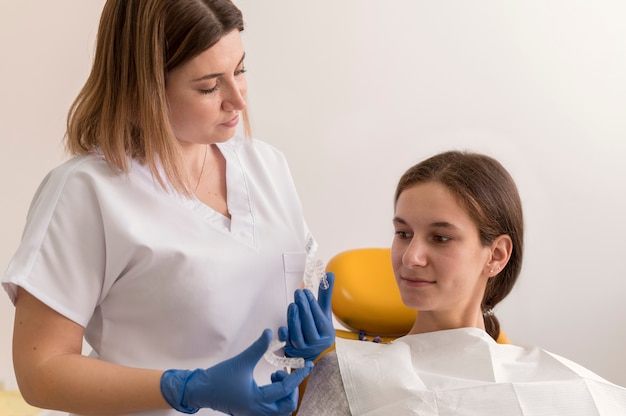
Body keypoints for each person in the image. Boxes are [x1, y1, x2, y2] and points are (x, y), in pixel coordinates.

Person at [1, 1, 335, 415]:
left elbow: (297, 290)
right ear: (145, 88)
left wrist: (316, 341)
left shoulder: (268, 167)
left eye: (241, 70)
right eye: (210, 87)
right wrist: (184, 388)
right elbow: (40, 372)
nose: (238, 101)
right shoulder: (87, 193)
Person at [297, 150, 626, 415]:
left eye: (440, 238)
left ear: (496, 255)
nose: (411, 257)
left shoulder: (557, 383)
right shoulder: (349, 378)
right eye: (403, 233)